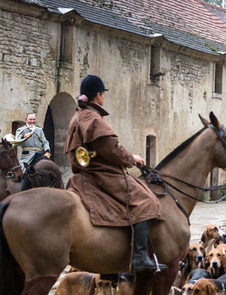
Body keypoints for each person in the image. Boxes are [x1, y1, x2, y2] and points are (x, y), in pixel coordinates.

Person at [64, 74, 165, 272]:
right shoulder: (92, 118)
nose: (104, 97)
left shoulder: (78, 116)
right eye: (103, 94)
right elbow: (112, 149)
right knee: (147, 201)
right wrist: (132, 159)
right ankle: (139, 256)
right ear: (98, 95)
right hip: (102, 173)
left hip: (83, 173)